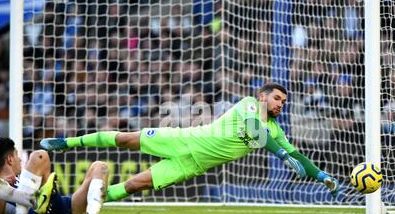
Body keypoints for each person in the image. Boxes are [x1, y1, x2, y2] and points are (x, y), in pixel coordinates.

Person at [40, 83, 339, 202]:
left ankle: (72, 207)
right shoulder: (249, 105)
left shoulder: (277, 131)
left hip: (192, 164)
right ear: (263, 96)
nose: (280, 104)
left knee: (134, 185)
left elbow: (296, 153)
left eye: (284, 101)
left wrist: (321, 175)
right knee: (126, 139)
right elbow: (255, 132)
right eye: (277, 98)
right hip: (182, 140)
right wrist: (284, 158)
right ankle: (66, 142)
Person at [0, 137, 109, 214]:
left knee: (100, 167)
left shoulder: (26, 179)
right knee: (40, 155)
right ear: (10, 159)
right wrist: (3, 192)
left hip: (65, 207)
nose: (20, 159)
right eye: (17, 155)